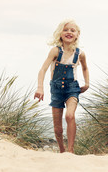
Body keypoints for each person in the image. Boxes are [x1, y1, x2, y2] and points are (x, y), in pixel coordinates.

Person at [34, 19, 90, 154]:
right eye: (66, 30)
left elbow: (85, 68)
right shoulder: (55, 51)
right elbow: (43, 70)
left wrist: (87, 83)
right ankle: (62, 150)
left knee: (70, 116)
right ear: (60, 34)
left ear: (77, 35)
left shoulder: (80, 54)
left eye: (72, 30)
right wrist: (40, 88)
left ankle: (70, 150)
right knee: (58, 128)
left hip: (72, 88)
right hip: (56, 90)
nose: (69, 32)